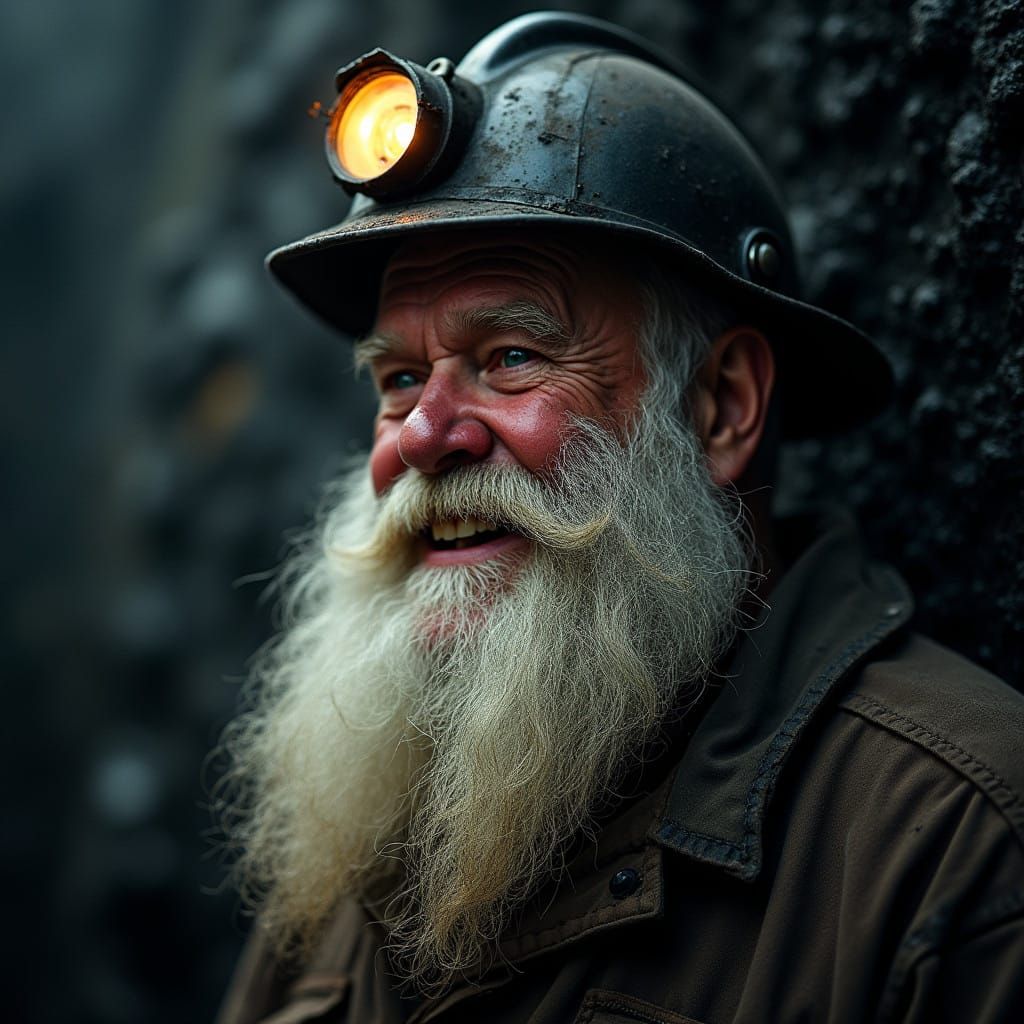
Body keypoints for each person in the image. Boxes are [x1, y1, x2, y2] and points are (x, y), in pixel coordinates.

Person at [214, 12, 1024, 1023]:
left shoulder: (954, 845)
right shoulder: (366, 828)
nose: (422, 436)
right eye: (398, 377)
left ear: (722, 405)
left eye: (510, 356)